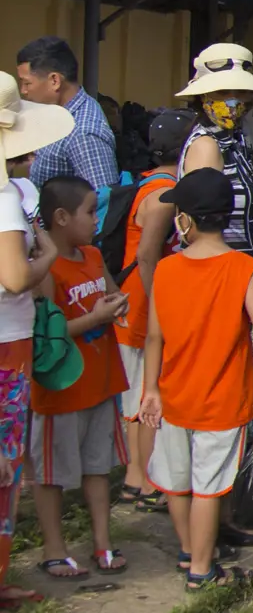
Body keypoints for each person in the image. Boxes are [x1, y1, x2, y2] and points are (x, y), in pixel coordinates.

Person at [138, 167, 253, 589]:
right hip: (223, 402)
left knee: (176, 481)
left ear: (185, 219)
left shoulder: (166, 270)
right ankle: (202, 570)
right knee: (208, 487)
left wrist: (150, 389)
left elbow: (154, 336)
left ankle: (190, 551)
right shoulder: (242, 268)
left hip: (173, 396)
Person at [29, 176, 130, 579]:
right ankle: (54, 549)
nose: (95, 219)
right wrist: (96, 317)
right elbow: (47, 333)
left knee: (97, 467)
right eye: (90, 211)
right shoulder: (46, 269)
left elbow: (108, 293)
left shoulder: (92, 254)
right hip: (62, 387)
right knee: (51, 474)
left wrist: (115, 304)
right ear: (60, 217)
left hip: (101, 381)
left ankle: (102, 543)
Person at [0, 73, 69, 613]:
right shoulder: (5, 199)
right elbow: (18, 277)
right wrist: (45, 252)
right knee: (4, 469)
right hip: (7, 347)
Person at [116, 107, 195, 508]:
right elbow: (147, 256)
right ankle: (142, 480)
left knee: (137, 395)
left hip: (136, 301)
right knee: (144, 396)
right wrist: (160, 304)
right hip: (142, 305)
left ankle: (136, 478)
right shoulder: (164, 194)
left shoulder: (150, 181)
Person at [176, 43, 253, 260]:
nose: (232, 100)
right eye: (222, 92)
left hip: (241, 268)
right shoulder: (207, 145)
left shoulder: (235, 140)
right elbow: (195, 226)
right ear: (202, 97)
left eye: (241, 92)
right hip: (217, 272)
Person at [14, 38, 118, 201]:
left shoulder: (83, 133)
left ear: (55, 81)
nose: (24, 91)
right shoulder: (58, 112)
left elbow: (103, 205)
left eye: (27, 83)